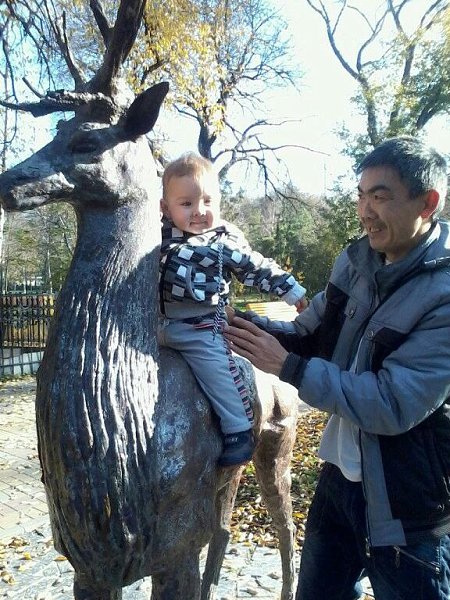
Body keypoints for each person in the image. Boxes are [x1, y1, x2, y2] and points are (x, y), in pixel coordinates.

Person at [224, 136, 450, 598]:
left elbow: (391, 403)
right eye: (361, 196)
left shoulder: (443, 295)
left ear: (428, 203)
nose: (365, 211)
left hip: (408, 504)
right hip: (339, 482)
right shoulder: (355, 262)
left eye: (380, 197)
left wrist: (290, 369)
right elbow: (310, 334)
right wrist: (237, 323)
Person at [158, 152, 307, 467]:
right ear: (165, 208)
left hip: (199, 325)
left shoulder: (221, 241)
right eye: (187, 204)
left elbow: (255, 266)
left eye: (208, 201)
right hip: (154, 324)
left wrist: (289, 289)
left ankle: (238, 428)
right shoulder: (155, 237)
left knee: (217, 370)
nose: (199, 211)